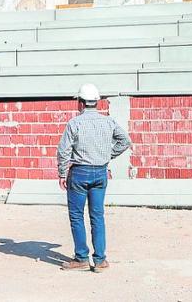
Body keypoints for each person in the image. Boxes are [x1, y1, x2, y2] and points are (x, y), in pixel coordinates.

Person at [56, 83, 131, 273]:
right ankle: (100, 260)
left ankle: (81, 258)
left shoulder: (75, 123)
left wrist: (62, 173)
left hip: (79, 173)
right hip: (100, 172)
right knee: (97, 216)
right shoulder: (109, 122)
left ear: (81, 103)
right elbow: (125, 141)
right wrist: (107, 155)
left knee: (77, 216)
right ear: (97, 102)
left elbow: (63, 150)